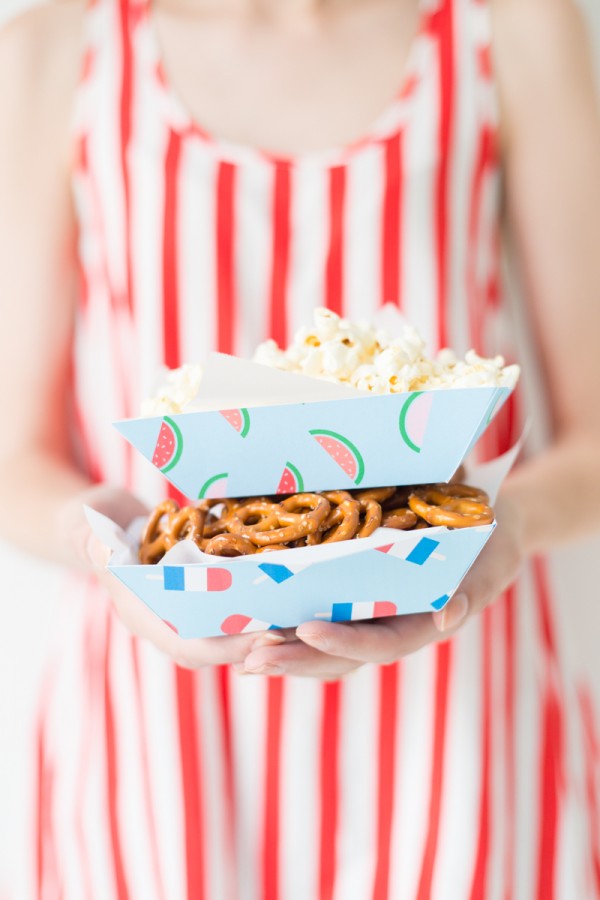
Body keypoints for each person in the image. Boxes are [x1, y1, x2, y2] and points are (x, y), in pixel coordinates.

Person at [1, 0, 600, 895]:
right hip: (157, 741)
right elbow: (16, 456)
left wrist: (499, 531)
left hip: (460, 720)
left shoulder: (505, 27)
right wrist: (111, 547)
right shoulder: (59, 48)